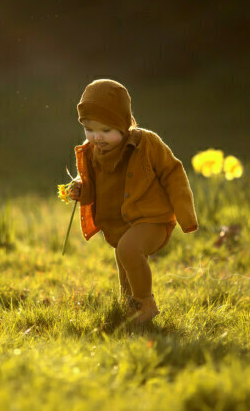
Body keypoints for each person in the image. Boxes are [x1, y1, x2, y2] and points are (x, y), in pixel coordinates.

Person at [68, 79, 198, 324]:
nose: (97, 137)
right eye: (89, 129)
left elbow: (173, 172)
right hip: (122, 222)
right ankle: (128, 305)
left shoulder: (147, 144)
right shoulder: (93, 151)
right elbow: (91, 182)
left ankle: (144, 306)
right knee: (123, 254)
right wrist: (80, 188)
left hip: (154, 220)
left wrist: (186, 216)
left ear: (124, 125)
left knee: (129, 249)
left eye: (106, 130)